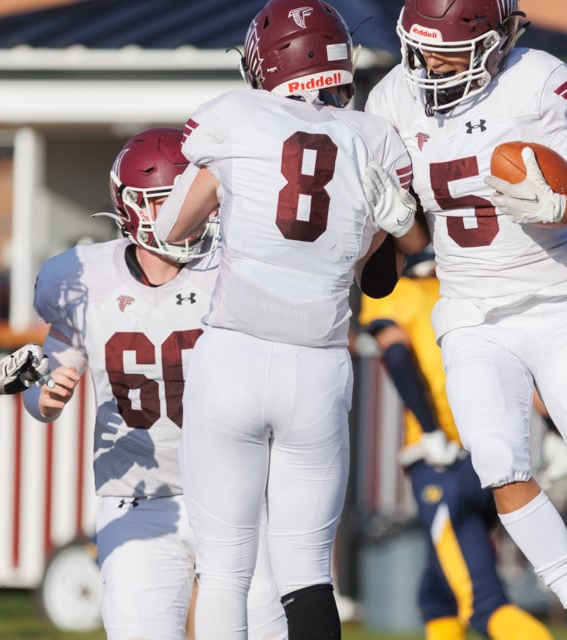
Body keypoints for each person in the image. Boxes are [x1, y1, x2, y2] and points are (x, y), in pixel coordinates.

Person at [365, 2, 567, 639]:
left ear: (495, 44)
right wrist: (391, 223)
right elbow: (407, 247)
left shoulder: (535, 80)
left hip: (557, 305)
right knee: (498, 462)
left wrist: (558, 203)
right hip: (471, 313)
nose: (432, 64)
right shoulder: (391, 101)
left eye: (450, 50)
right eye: (422, 47)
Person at [151, 1, 426, 637]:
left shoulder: (234, 116)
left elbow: (170, 232)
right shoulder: (373, 138)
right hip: (318, 364)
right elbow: (393, 257)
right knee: (306, 570)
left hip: (234, 357)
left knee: (224, 568)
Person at [3, 128, 288, 640]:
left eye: (194, 197)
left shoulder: (237, 264)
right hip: (138, 496)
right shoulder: (83, 276)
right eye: (165, 200)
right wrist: (43, 398)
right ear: (130, 207)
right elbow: (45, 385)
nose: (186, 212)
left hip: (241, 494)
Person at [359, 249, 553, 640]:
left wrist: (430, 430)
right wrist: (560, 437)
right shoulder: (478, 292)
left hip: (444, 465)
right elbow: (528, 374)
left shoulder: (405, 291)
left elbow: (396, 354)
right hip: (496, 456)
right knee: (437, 595)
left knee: (484, 604)